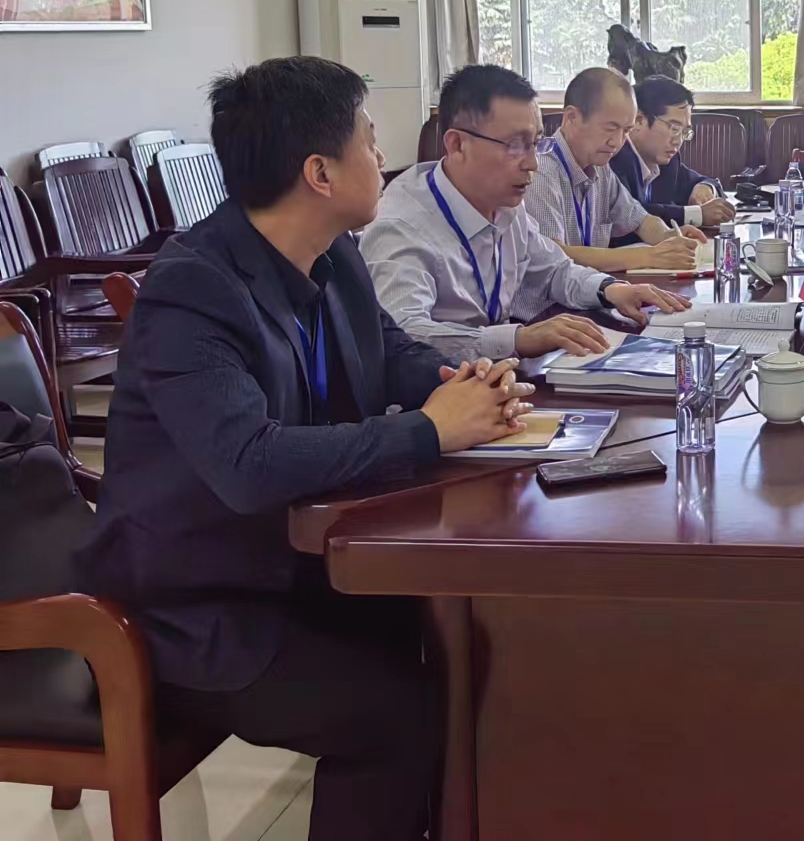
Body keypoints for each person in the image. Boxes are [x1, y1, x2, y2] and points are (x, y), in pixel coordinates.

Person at [76, 57, 535, 841]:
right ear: (320, 173)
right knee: (395, 714)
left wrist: (467, 385)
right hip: (196, 609)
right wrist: (431, 429)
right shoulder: (193, 290)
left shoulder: (333, 252)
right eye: (368, 140)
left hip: (295, 564)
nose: (383, 156)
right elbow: (248, 465)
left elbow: (391, 353)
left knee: (465, 641)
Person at [361, 65, 688, 364]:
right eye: (515, 145)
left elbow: (555, 270)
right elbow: (405, 335)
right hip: (436, 396)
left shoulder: (506, 204)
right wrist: (518, 339)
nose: (532, 162)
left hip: (495, 379)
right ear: (457, 145)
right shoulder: (403, 226)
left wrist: (611, 290)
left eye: (534, 144)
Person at [526, 66, 711, 272]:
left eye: (626, 131)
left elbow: (640, 220)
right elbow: (554, 256)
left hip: (592, 288)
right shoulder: (540, 172)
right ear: (571, 117)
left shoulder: (601, 169)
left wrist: (669, 236)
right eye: (610, 128)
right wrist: (648, 256)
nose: (617, 142)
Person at [609, 75, 737, 238]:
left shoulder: (667, 161)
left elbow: (707, 181)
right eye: (674, 128)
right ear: (639, 121)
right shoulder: (614, 158)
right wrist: (697, 214)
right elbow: (632, 214)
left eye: (685, 132)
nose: (678, 140)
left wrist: (705, 187)